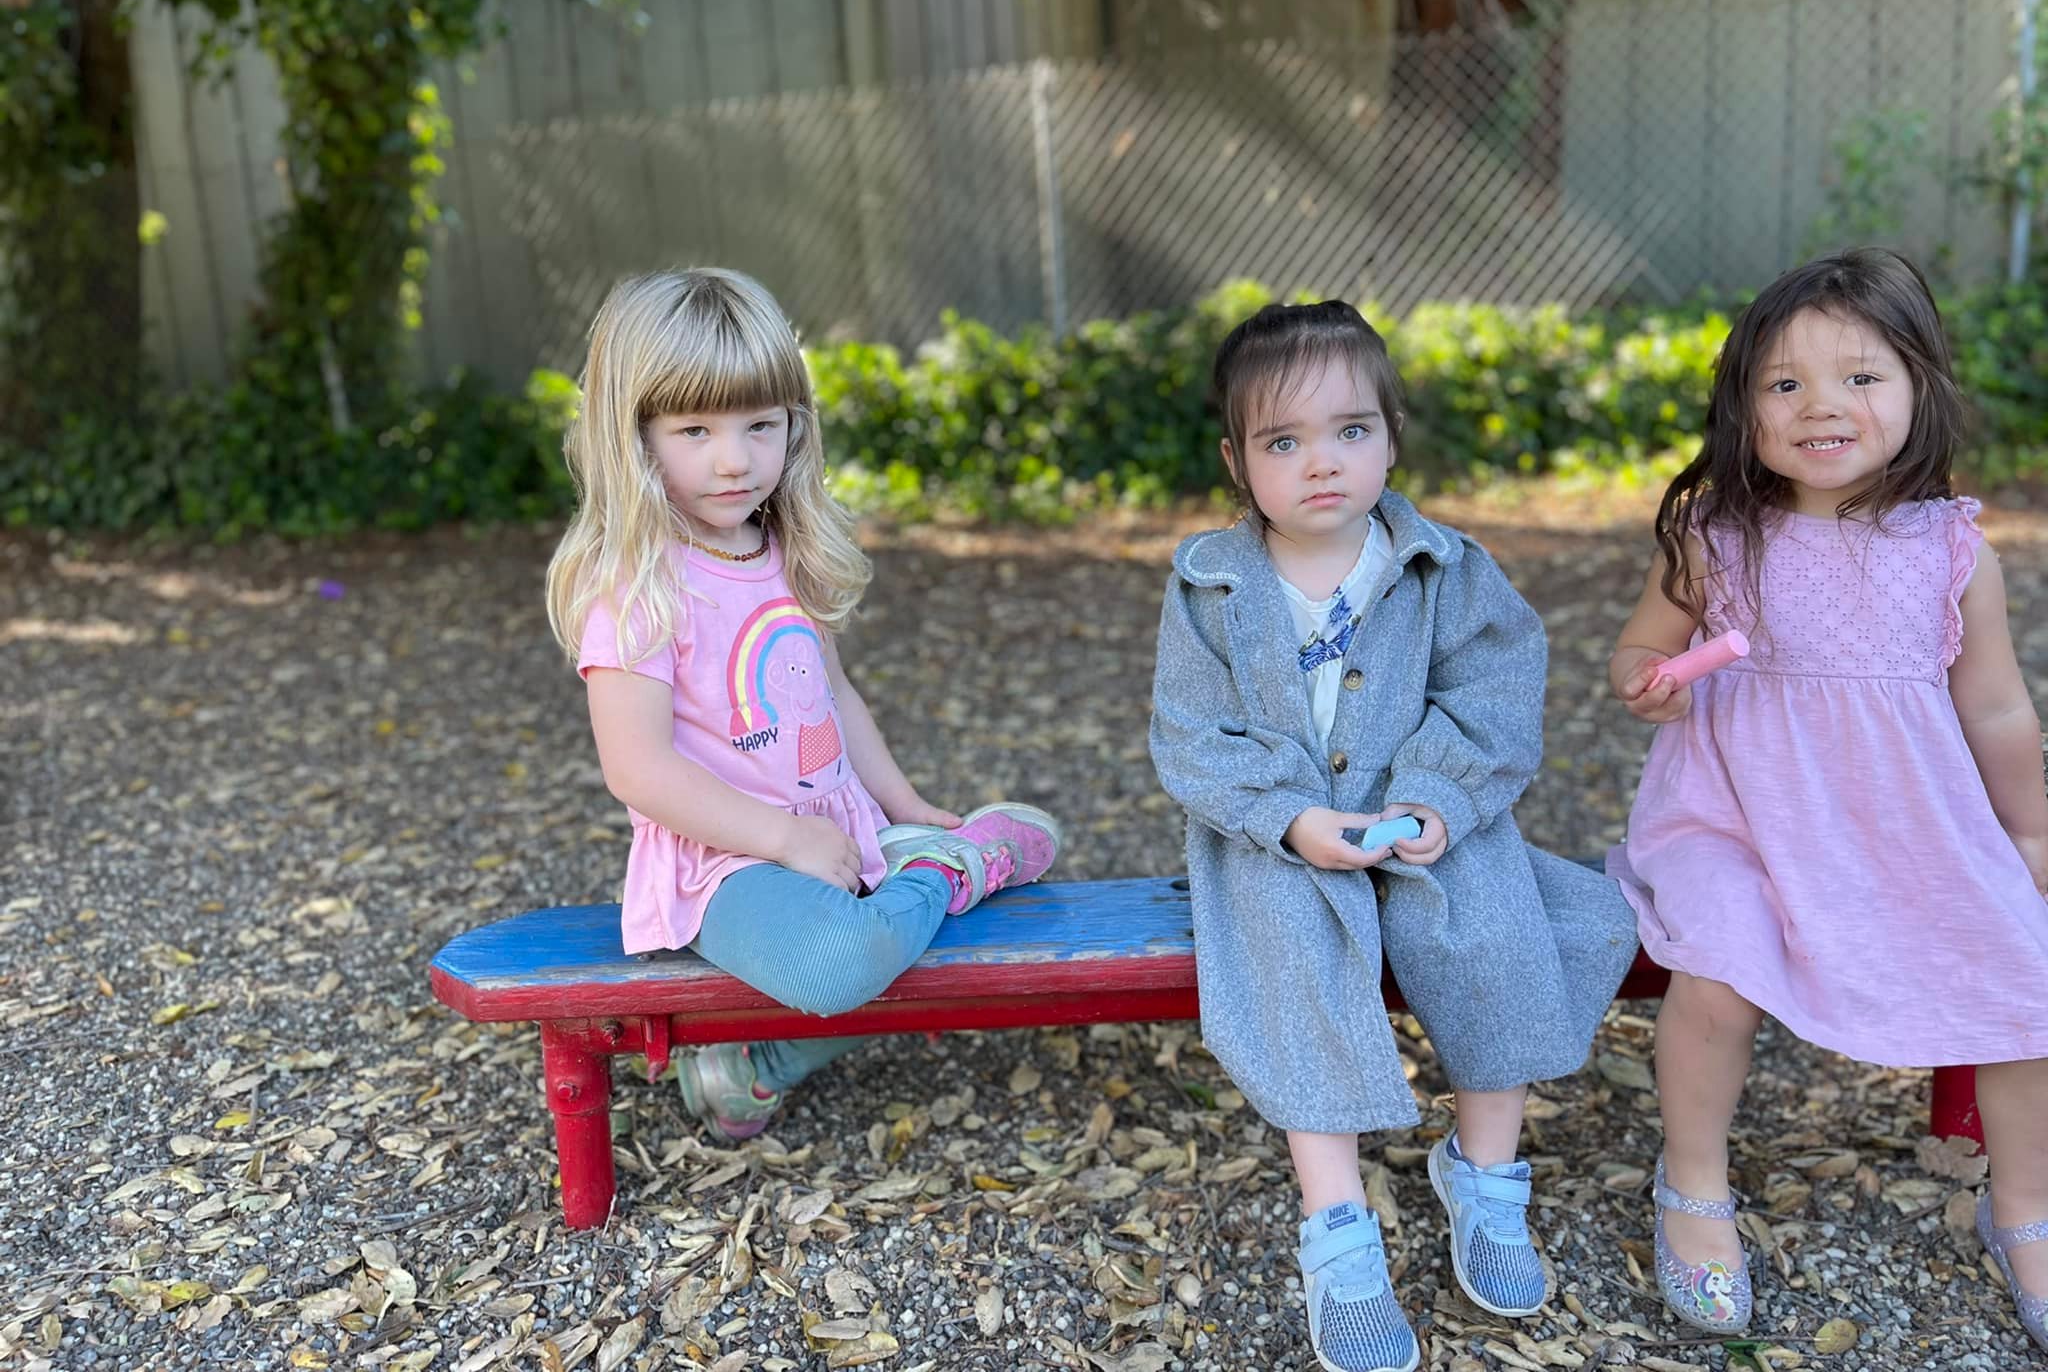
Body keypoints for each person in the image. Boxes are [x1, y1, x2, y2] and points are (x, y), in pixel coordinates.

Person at [1149, 300, 1638, 1372]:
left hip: (1422, 808)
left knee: (1494, 925)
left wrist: (1435, 801)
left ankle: (1483, 1170)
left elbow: (1494, 692)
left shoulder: (1441, 568)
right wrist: (1291, 819)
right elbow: (1192, 734)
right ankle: (1335, 1224)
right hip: (1283, 828)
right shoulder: (1211, 584)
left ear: (1390, 435)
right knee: (1291, 952)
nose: (1320, 462)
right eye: (1283, 441)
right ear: (1238, 461)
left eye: (1349, 430)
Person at [1607, 249, 2048, 1348]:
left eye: (1858, 377)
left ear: (1916, 390)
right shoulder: (1713, 536)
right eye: (1783, 384)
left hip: (1896, 824)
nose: (1821, 406)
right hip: (1733, 819)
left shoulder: (1949, 551)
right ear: (1743, 407)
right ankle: (1693, 1184)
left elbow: (1993, 711)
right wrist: (1645, 684)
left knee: (2022, 982)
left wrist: (2028, 830)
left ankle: (2027, 1210)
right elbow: (1640, 649)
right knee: (1713, 969)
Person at [545, 267, 1061, 1141]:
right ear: (632, 437)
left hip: (839, 830)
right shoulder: (636, 588)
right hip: (725, 866)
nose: (733, 457)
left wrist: (905, 806)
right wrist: (785, 838)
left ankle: (764, 1055)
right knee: (844, 962)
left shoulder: (782, 548)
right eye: (695, 429)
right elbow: (637, 769)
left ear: (796, 425)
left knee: (919, 947)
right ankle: (954, 871)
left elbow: (834, 696)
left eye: (761, 425)